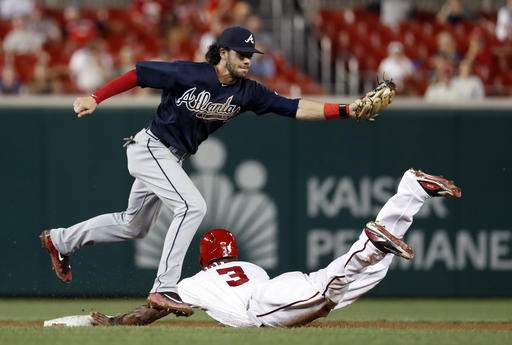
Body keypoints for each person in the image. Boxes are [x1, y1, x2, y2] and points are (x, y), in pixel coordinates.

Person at [40, 26, 394, 318]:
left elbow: (294, 107)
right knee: (192, 206)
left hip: (170, 156)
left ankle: (60, 240)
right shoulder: (190, 73)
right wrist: (95, 97)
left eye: (250, 56)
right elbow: (138, 73)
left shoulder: (248, 92)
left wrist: (347, 109)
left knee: (135, 225)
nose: (247, 61)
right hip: (150, 147)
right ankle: (163, 287)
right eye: (241, 54)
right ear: (222, 52)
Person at [47, 169, 460, 328]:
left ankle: (373, 242)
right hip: (279, 285)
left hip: (262, 308)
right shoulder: (248, 266)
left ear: (205, 258)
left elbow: (152, 310)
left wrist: (116, 323)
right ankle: (409, 192)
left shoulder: (193, 282)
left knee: (335, 284)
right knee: (353, 278)